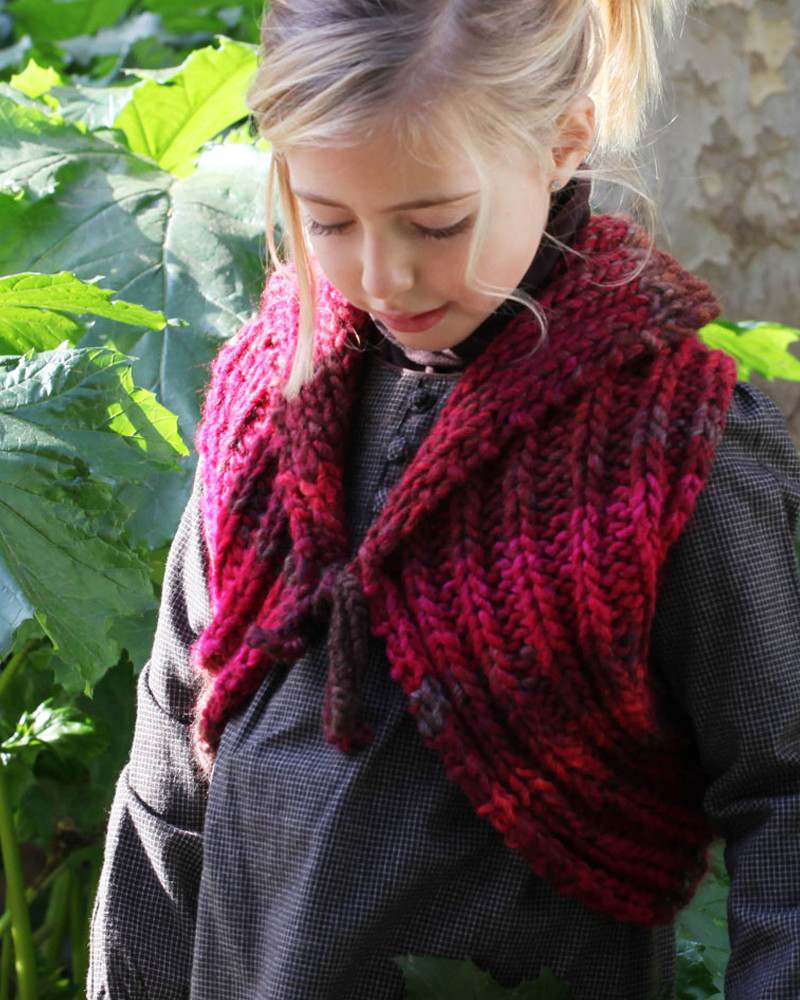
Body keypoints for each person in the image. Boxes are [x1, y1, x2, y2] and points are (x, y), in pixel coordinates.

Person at [87, 1, 800, 998]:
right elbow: (172, 761)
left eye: (435, 224)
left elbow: (782, 793)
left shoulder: (671, 446)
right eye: (328, 220)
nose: (382, 276)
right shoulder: (272, 395)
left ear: (563, 141)